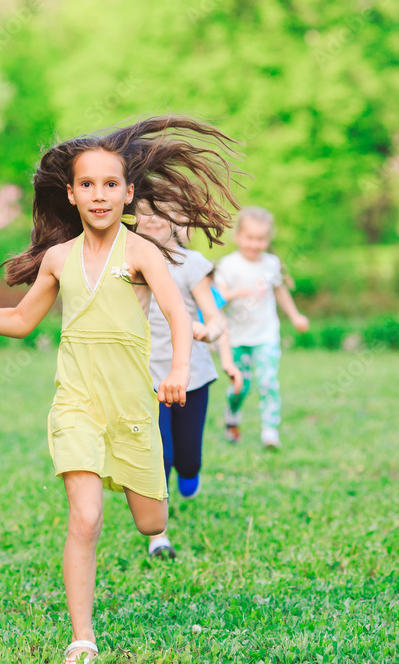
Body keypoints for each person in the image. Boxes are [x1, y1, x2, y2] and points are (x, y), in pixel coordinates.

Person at [0, 115, 239, 664]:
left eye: (111, 184)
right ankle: (83, 637)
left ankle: (155, 502)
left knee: (152, 521)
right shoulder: (59, 258)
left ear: (129, 192)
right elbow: (22, 321)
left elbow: (176, 312)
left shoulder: (143, 252)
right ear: (70, 195)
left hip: (135, 407)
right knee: (86, 516)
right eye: (87, 185)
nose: (100, 194)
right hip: (77, 404)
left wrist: (180, 369)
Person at [136, 202, 241, 559]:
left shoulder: (191, 264)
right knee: (157, 455)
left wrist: (206, 331)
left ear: (180, 221)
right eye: (144, 210)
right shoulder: (124, 261)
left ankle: (190, 477)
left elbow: (215, 318)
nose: (152, 219)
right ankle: (158, 536)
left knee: (188, 457)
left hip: (192, 375)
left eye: (162, 212)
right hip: (146, 377)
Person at [213, 206, 309, 449]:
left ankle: (270, 431)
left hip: (266, 335)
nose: (254, 244)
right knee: (240, 386)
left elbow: (280, 290)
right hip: (236, 337)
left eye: (261, 239)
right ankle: (232, 417)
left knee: (268, 382)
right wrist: (235, 294)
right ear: (238, 237)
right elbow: (218, 297)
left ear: (268, 240)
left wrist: (295, 315)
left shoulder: (271, 263)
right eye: (249, 238)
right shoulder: (228, 265)